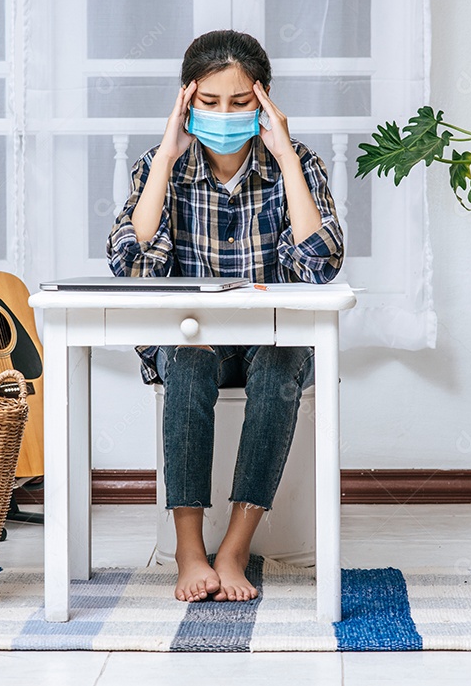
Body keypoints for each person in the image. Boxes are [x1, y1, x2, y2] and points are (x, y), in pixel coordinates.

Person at [107, 30, 344, 603]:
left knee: (281, 364)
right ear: (187, 102)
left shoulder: (299, 164)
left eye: (240, 102)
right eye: (209, 102)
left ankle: (235, 548)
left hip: (273, 345)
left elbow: (320, 265)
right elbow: (132, 266)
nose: (224, 114)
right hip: (192, 343)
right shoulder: (157, 167)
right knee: (189, 362)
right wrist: (167, 156)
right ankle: (190, 549)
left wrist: (285, 157)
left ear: (264, 101)